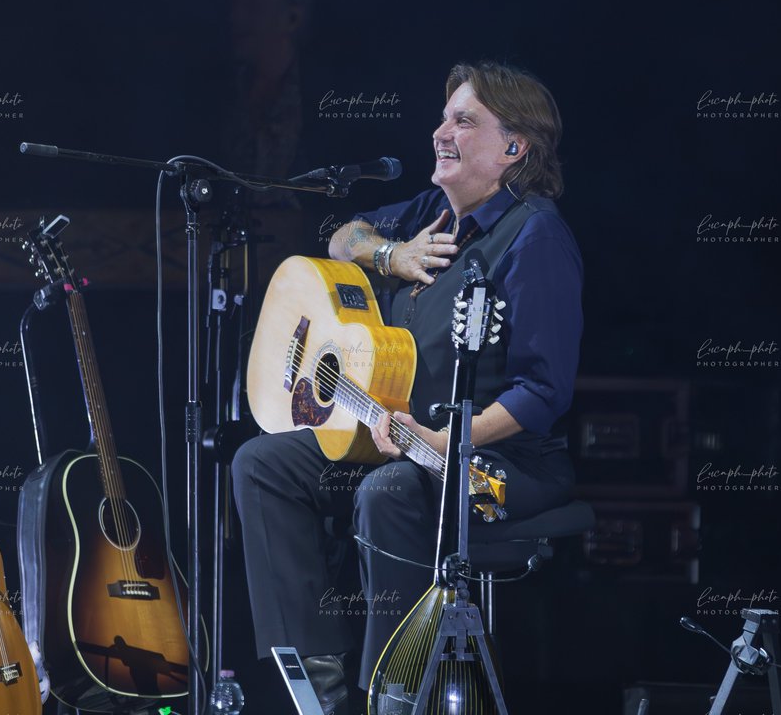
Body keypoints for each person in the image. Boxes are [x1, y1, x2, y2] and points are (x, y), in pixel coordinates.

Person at [231, 60, 583, 715]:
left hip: (502, 464)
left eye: (463, 120)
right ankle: (320, 689)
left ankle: (392, 696)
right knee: (261, 464)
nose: (439, 131)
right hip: (397, 435)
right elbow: (342, 236)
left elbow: (543, 392)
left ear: (515, 147)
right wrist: (390, 255)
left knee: (387, 490)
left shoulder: (535, 238)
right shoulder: (428, 211)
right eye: (444, 117)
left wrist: (449, 437)